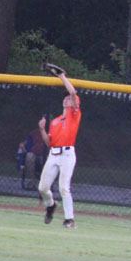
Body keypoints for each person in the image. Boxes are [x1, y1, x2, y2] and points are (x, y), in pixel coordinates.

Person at [38, 69, 81, 228]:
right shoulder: (55, 121)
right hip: (54, 154)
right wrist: (42, 130)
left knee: (64, 187)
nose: (67, 100)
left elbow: (72, 92)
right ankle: (50, 205)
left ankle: (69, 220)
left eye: (70, 99)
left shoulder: (74, 115)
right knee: (42, 188)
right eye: (66, 99)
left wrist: (62, 77)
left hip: (67, 155)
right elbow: (49, 143)